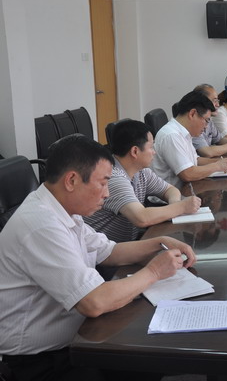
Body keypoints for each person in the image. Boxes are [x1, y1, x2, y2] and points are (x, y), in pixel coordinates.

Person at [0, 134, 196, 381]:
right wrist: (154, 272)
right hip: (42, 363)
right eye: (103, 183)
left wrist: (159, 242)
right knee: (144, 362)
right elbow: (93, 302)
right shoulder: (40, 225)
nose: (107, 193)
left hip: (78, 337)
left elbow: (109, 252)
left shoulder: (64, 210)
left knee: (148, 360)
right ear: (72, 180)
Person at [84, 120, 202, 243]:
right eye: (151, 147)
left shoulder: (141, 171)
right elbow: (141, 218)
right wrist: (181, 207)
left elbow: (169, 189)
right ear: (135, 151)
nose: (154, 152)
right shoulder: (113, 177)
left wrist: (175, 203)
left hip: (127, 243)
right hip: (104, 251)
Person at [152, 90, 227, 188]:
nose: (206, 127)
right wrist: (217, 166)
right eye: (206, 120)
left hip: (185, 190)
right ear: (192, 113)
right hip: (170, 196)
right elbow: (187, 174)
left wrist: (222, 161)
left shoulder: (184, 132)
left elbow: (195, 160)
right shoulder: (171, 135)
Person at [192, 83, 227, 157]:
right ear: (202, 101)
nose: (218, 105)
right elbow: (207, 152)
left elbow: (220, 140)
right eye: (214, 101)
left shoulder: (209, 121)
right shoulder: (194, 122)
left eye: (217, 101)